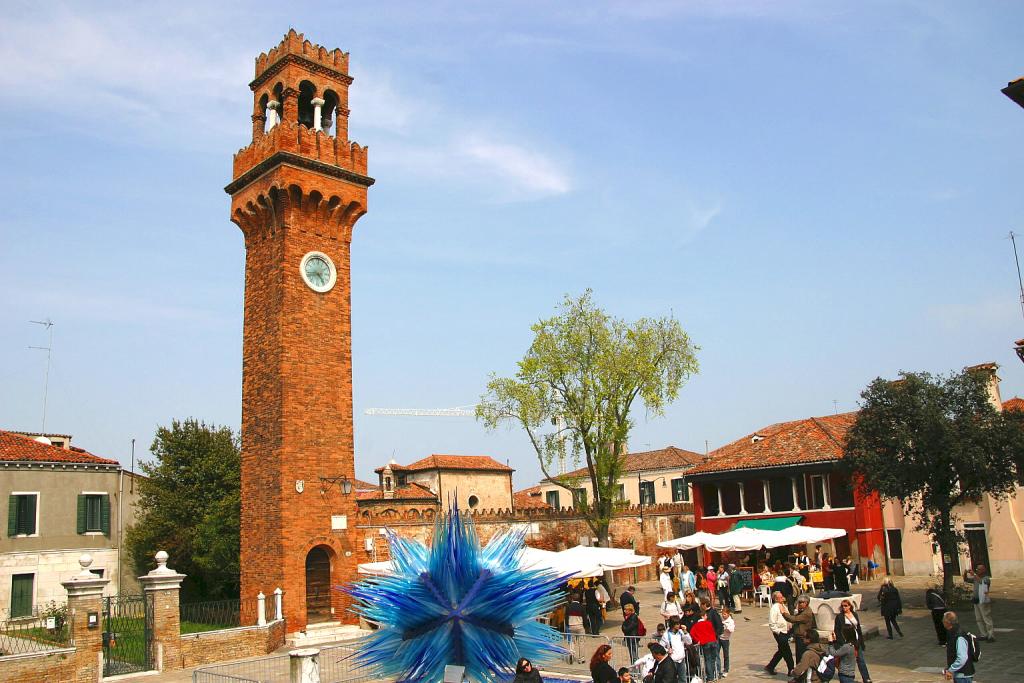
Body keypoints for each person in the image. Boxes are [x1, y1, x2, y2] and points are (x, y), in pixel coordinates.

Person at [833, 598, 872, 683]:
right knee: (846, 661)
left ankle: (866, 678)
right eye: (842, 606)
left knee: (860, 660)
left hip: (856, 640)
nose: (844, 607)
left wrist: (862, 642)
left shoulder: (854, 614)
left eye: (846, 606)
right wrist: (842, 642)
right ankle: (846, 677)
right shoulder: (839, 617)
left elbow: (858, 628)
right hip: (847, 642)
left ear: (850, 606)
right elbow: (837, 631)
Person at [766, 591, 794, 677]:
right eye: (780, 597)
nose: (782, 598)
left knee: (782, 651)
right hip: (780, 632)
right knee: (787, 651)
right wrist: (778, 632)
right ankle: (791, 669)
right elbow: (772, 623)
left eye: (782, 596)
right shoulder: (774, 608)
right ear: (776, 599)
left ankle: (771, 666)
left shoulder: (783, 606)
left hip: (786, 631)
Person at [964, 564, 994, 642]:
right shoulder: (975, 578)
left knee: (986, 618)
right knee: (978, 619)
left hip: (983, 600)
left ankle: (991, 635)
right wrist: (965, 573)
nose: (978, 571)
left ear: (984, 570)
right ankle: (983, 634)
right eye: (977, 569)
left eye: (979, 569)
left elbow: (981, 582)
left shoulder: (986, 578)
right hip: (976, 600)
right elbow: (966, 580)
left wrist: (974, 574)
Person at [942, 611, 975, 683]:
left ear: (947, 622)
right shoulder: (953, 633)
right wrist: (949, 668)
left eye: (943, 620)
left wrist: (951, 670)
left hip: (963, 676)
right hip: (961, 674)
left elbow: (962, 658)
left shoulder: (959, 636)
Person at [782, 595, 815, 663]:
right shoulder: (803, 610)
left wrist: (784, 613)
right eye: (798, 602)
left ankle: (801, 669)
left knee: (801, 657)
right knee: (798, 657)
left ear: (806, 603)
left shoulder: (806, 613)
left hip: (803, 637)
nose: (799, 604)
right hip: (799, 636)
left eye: (800, 602)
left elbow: (794, 619)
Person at [690, 608, 720, 682]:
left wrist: (698, 640)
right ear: (703, 616)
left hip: (705, 643)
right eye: (706, 615)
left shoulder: (696, 625)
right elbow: (712, 631)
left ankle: (710, 677)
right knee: (713, 659)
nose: (707, 617)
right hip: (713, 641)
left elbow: (692, 634)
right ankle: (712, 675)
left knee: (708, 660)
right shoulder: (709, 623)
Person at [720, 605, 735, 678]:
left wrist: (726, 626)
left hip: (725, 639)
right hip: (719, 638)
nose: (723, 615)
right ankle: (717, 669)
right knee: (716, 653)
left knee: (726, 655)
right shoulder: (721, 619)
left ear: (728, 614)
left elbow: (731, 630)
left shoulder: (730, 621)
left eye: (725, 614)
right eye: (722, 614)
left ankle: (726, 670)